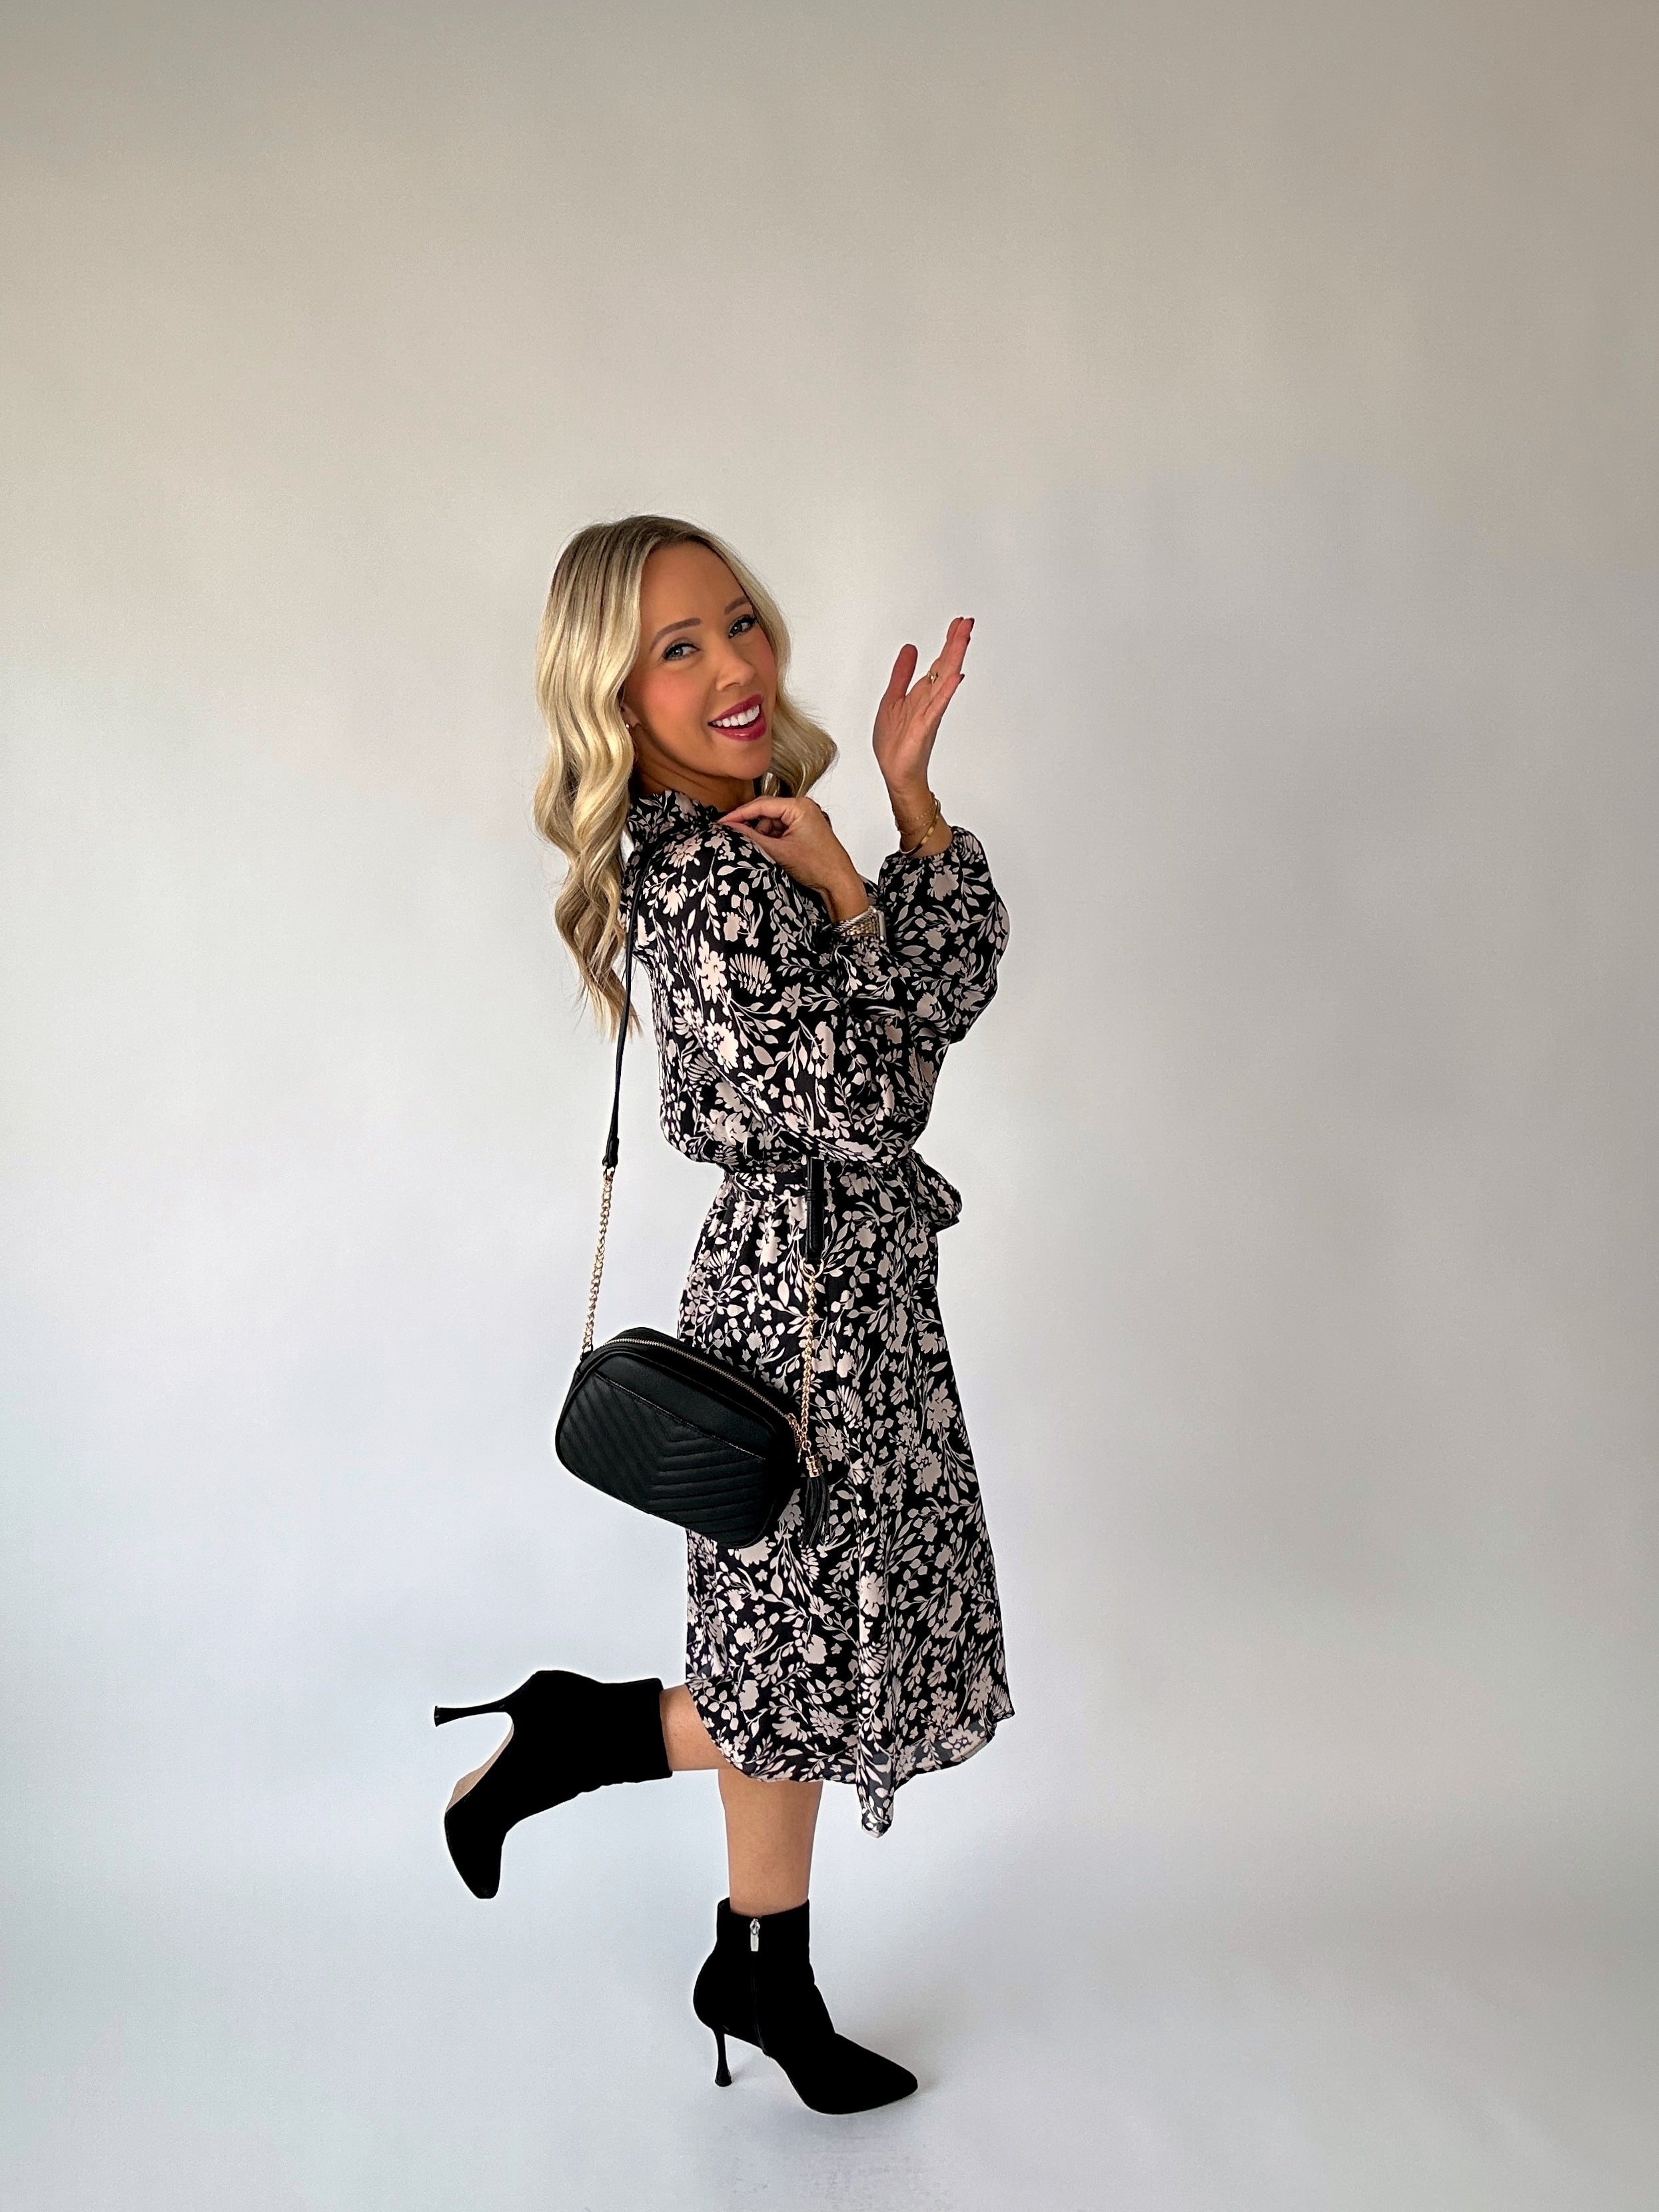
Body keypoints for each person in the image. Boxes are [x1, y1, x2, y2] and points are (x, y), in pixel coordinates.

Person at [435, 514, 1012, 2114]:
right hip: (799, 1314)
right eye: (677, 649)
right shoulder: (707, 885)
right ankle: (603, 1771)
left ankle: (751, 1954)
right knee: (801, 1659)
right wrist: (848, 888)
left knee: (808, 1653)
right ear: (616, 699)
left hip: (853, 1294)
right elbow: (882, 1090)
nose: (733, 666)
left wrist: (904, 808)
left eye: (739, 622)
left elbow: (942, 997)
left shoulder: (754, 837)